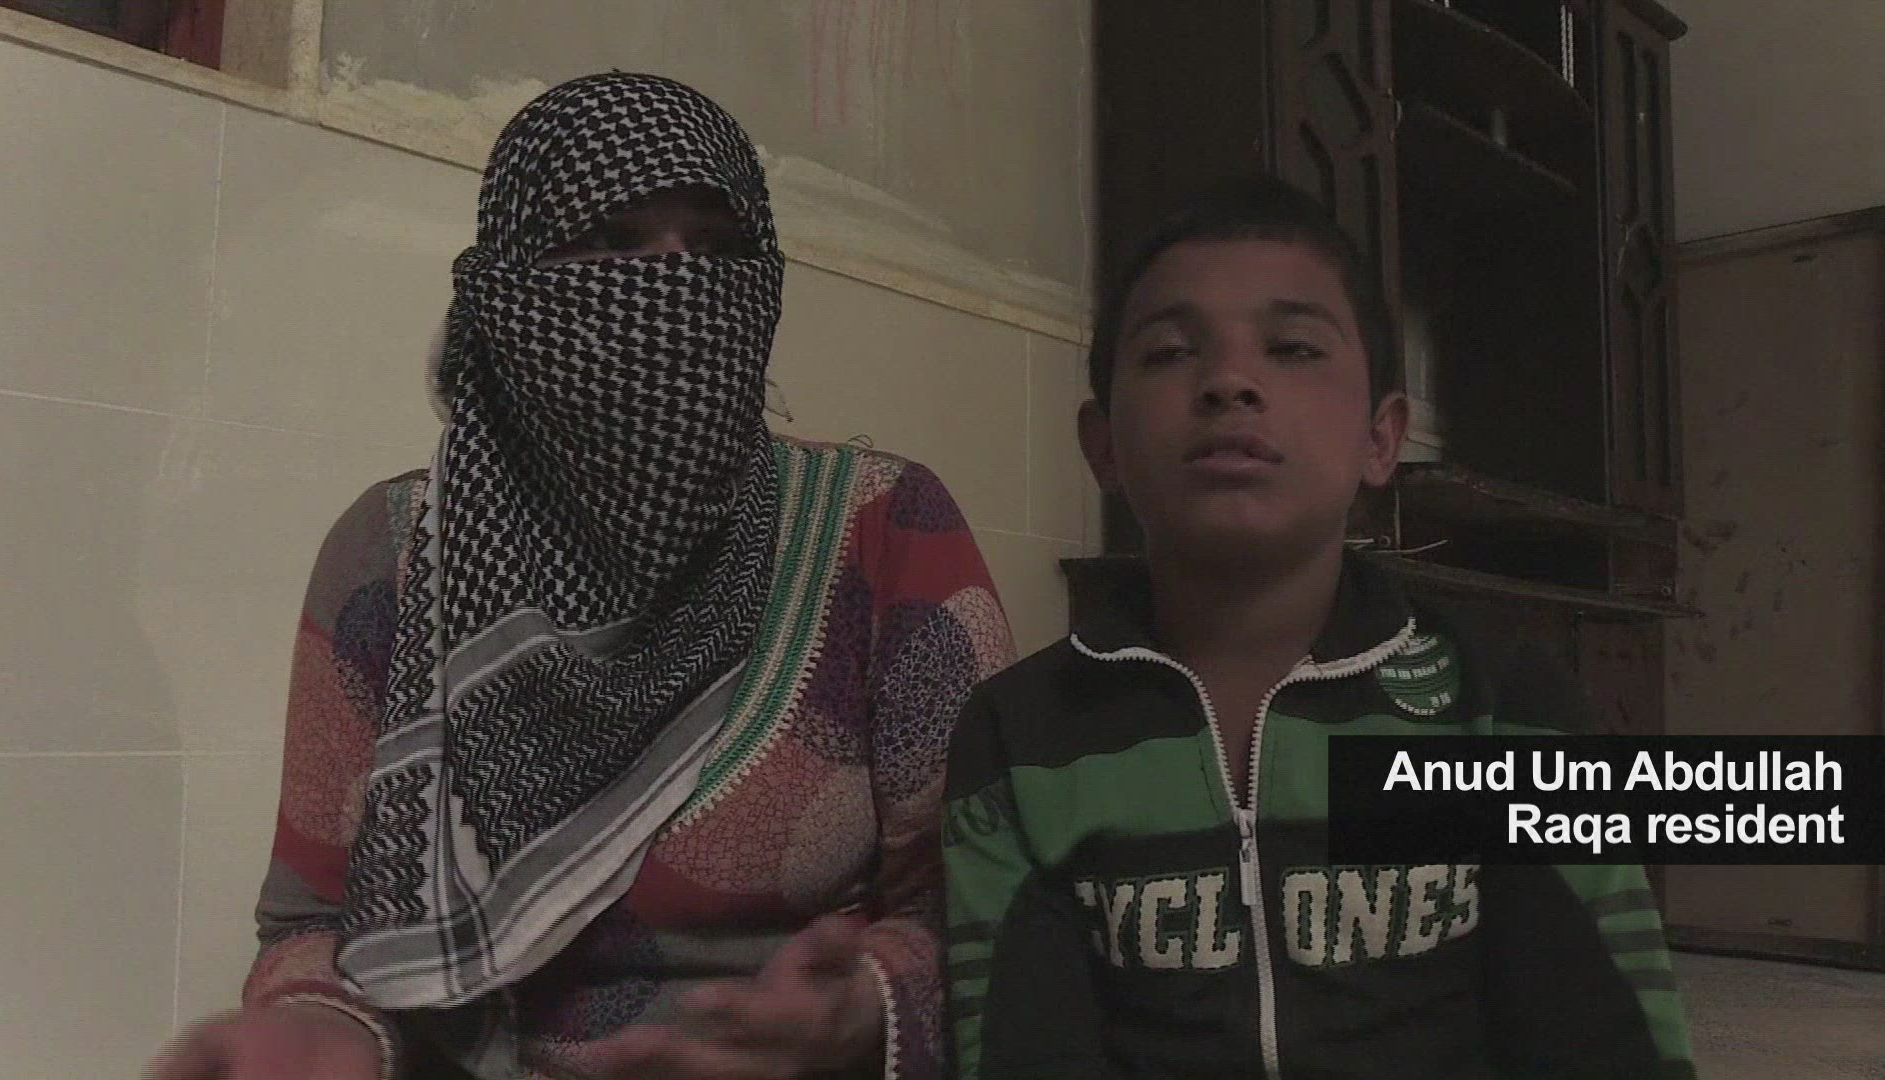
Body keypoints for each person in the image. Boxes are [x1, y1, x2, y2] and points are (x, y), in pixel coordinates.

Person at [150, 72, 1013, 1080]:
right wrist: (322, 1030)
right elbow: (315, 927)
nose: (677, 283)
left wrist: (863, 1005)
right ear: (507, 290)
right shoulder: (393, 554)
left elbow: (982, 900)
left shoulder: (883, 530)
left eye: (719, 247)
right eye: (612, 239)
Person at [939, 175, 1697, 1079]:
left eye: (1293, 348)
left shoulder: (1502, 709)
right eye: (1171, 352)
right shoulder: (1020, 739)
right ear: (1103, 446)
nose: (1229, 382)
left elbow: (1608, 1043)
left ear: (1382, 438)